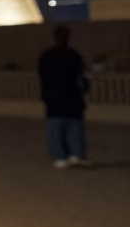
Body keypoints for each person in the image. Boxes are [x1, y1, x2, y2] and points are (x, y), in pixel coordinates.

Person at [37, 26, 92, 169]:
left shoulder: (49, 55)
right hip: (65, 97)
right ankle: (66, 155)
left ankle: (71, 155)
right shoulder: (71, 55)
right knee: (61, 127)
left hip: (63, 97)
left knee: (69, 127)